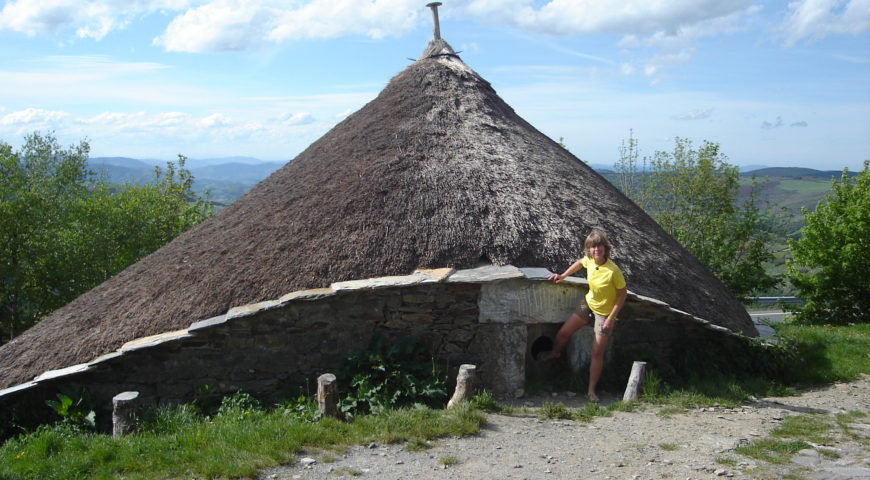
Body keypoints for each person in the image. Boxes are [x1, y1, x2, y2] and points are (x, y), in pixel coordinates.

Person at [546, 229, 627, 402]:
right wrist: (563, 275)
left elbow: (622, 295)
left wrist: (611, 319)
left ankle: (591, 390)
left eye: (599, 246)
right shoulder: (589, 260)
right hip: (588, 303)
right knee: (563, 333)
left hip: (605, 314)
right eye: (592, 247)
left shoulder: (613, 271)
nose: (596, 249)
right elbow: (579, 263)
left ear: (605, 248)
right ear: (589, 249)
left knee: (597, 352)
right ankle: (555, 353)